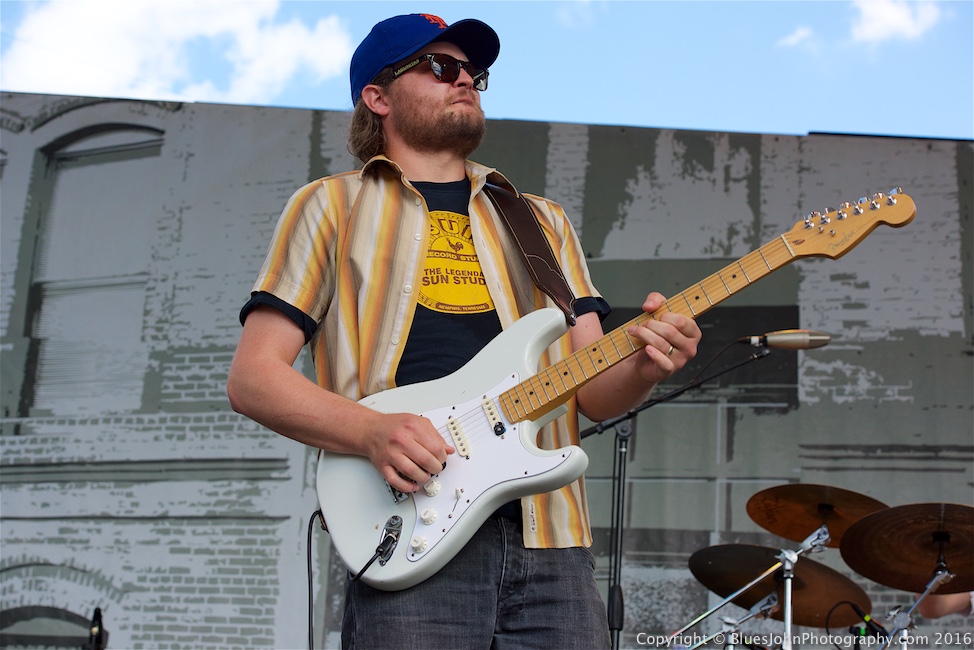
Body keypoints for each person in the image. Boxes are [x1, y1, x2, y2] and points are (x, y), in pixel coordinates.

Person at [227, 13, 701, 649]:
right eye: (441, 68)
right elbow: (254, 378)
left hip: (552, 541)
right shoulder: (330, 206)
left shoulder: (542, 221)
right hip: (411, 530)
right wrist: (370, 431)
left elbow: (591, 391)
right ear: (378, 96)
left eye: (475, 73)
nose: (466, 82)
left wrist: (645, 364)